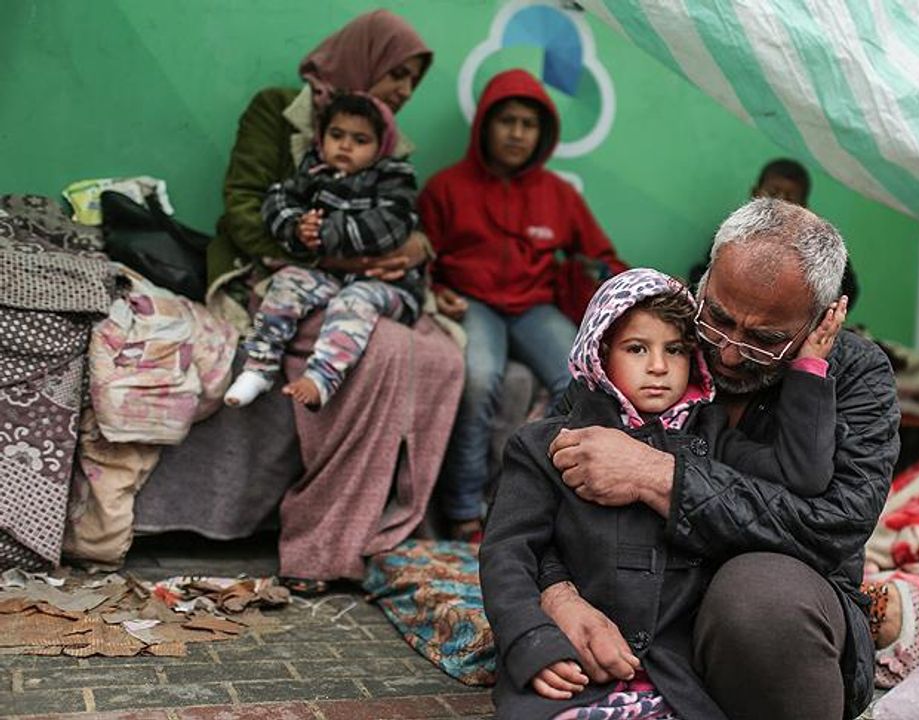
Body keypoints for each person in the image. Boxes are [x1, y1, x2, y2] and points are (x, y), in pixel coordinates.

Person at [540, 199, 901, 720]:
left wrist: (659, 477)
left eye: (765, 341)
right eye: (718, 319)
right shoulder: (649, 333)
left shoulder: (857, 375)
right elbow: (531, 486)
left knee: (761, 600)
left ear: (822, 321)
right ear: (704, 282)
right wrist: (558, 595)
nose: (729, 353)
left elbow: (834, 527)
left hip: (769, 618)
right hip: (627, 601)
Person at [480, 267, 847, 719]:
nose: (658, 366)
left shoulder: (712, 441)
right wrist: (531, 642)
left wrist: (809, 369)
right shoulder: (547, 445)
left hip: (678, 680)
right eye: (637, 348)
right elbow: (507, 554)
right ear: (598, 353)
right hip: (573, 669)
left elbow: (801, 475)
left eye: (675, 350)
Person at [206, 10, 464, 593]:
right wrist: (322, 249)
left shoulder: (388, 143)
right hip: (283, 269)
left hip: (361, 283)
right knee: (381, 351)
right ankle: (320, 542)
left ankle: (387, 525)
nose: (405, 89)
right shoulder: (279, 110)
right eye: (398, 72)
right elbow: (243, 206)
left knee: (444, 356)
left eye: (413, 81)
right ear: (363, 58)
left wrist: (417, 247)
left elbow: (401, 219)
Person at [418, 68, 627, 541]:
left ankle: (536, 505)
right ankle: (464, 511)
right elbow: (420, 260)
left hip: (534, 306)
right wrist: (435, 293)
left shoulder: (558, 195)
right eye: (506, 121)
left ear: (543, 134)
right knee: (478, 378)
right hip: (471, 303)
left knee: (582, 377)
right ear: (484, 126)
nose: (516, 133)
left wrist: (615, 283)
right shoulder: (445, 188)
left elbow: (603, 259)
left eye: (528, 124)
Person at [224, 93, 421, 409]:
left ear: (381, 146)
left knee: (353, 301)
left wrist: (326, 232)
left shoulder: (394, 177)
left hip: (384, 284)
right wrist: (297, 227)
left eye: (360, 140)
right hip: (329, 274)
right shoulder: (314, 171)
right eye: (336, 135)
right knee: (287, 281)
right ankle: (259, 367)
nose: (345, 146)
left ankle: (322, 378)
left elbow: (391, 225)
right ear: (321, 136)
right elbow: (277, 200)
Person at [688, 158, 860, 310]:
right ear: (755, 193)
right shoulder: (737, 232)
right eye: (772, 193)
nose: (780, 202)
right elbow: (708, 271)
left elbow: (848, 290)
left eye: (790, 198)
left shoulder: (815, 246)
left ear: (804, 207)